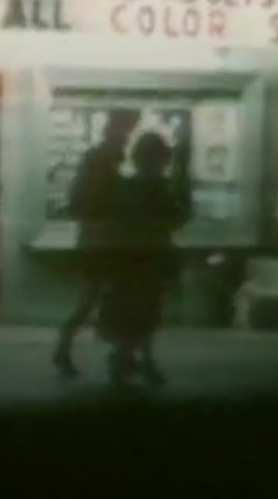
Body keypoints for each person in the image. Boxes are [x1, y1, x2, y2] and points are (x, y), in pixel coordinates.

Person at [53, 109, 140, 378]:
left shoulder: (100, 162)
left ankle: (114, 352)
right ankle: (71, 350)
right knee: (96, 298)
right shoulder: (102, 164)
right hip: (103, 242)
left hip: (99, 240)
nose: (126, 141)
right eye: (125, 133)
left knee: (95, 298)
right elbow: (91, 203)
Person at [97, 132, 187, 387]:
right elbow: (176, 218)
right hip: (150, 258)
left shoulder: (125, 187)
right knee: (145, 313)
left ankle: (130, 359)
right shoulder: (158, 188)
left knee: (129, 311)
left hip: (126, 258)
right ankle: (132, 359)